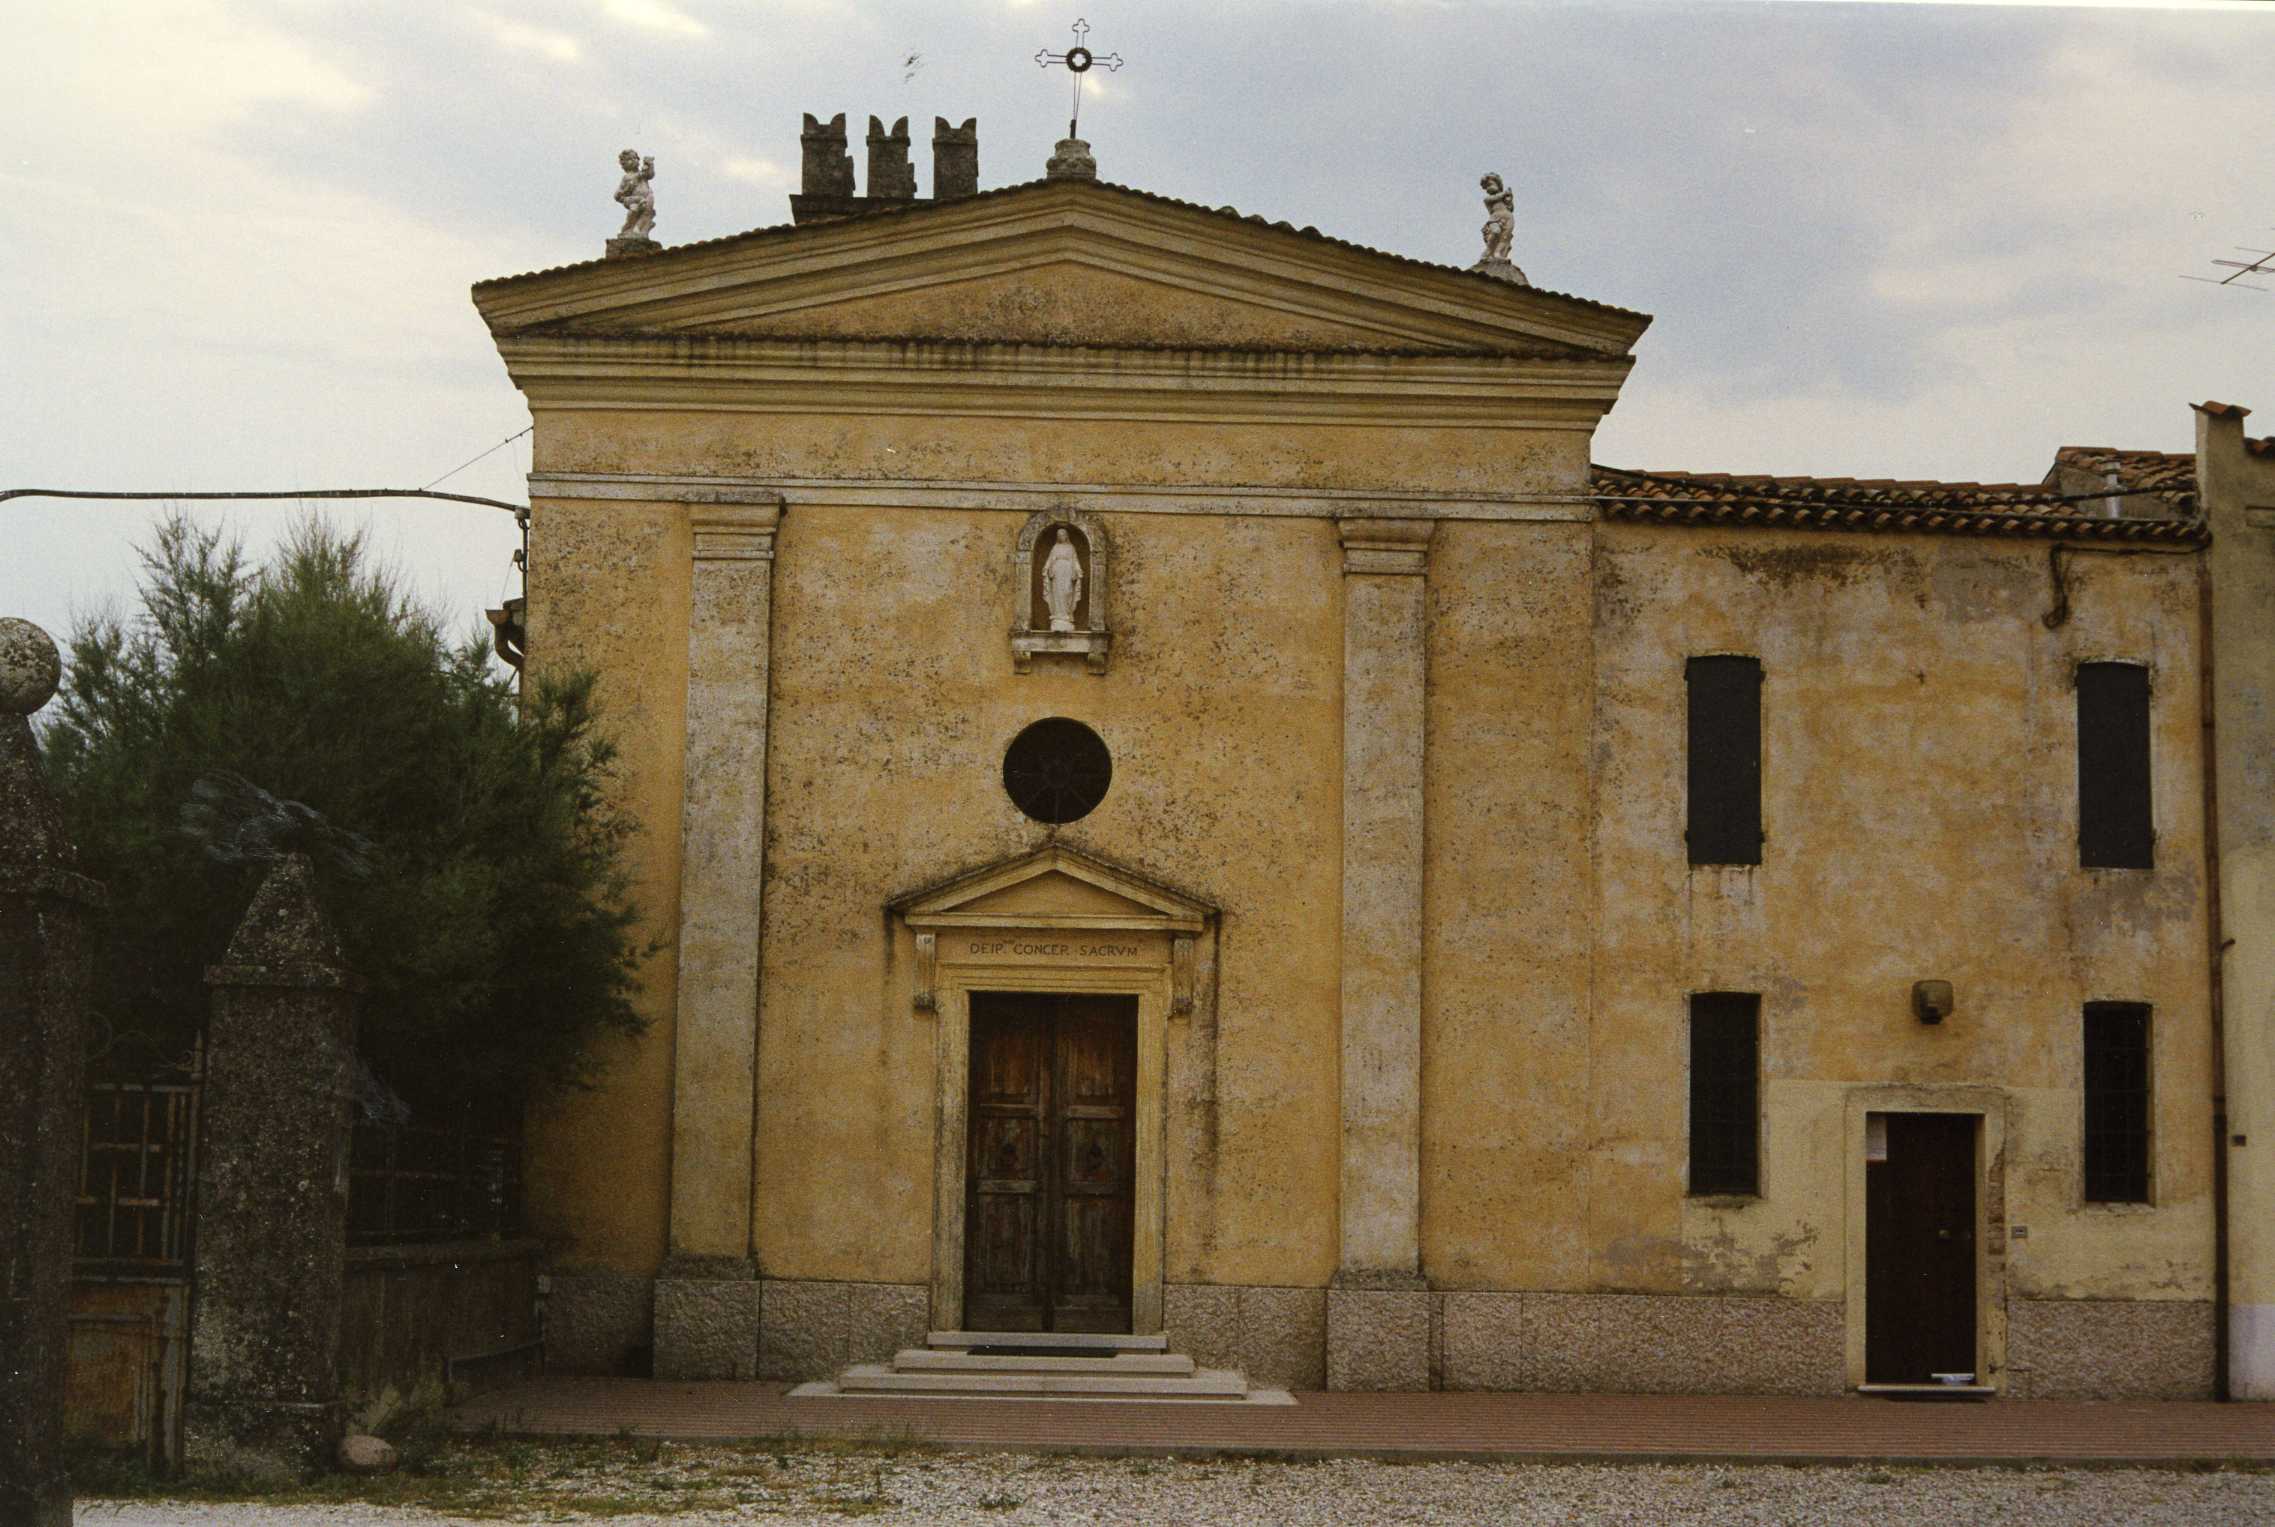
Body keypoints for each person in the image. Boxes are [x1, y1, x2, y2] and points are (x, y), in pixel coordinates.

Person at [615, 150, 656, 240]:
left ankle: (639, 229)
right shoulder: (627, 177)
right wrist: (627, 188)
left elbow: (650, 175)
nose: (633, 161)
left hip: (648, 196)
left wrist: (650, 165)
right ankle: (627, 228)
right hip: (634, 200)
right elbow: (618, 194)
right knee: (634, 210)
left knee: (646, 213)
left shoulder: (642, 173)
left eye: (635, 158)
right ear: (624, 164)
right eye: (629, 159)